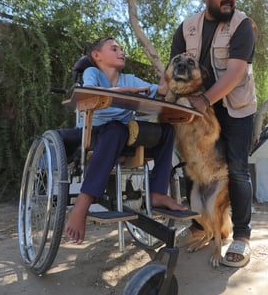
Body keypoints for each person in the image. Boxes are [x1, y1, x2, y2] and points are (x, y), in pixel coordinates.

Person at [170, 0, 257, 267]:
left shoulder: (243, 25)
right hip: (195, 106)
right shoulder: (186, 27)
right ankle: (199, 227)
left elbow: (234, 74)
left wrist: (204, 100)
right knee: (191, 166)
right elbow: (172, 71)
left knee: (237, 170)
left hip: (234, 106)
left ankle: (242, 236)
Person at [63, 37, 186, 244]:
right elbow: (93, 92)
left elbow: (161, 92)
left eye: (121, 49)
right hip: (93, 134)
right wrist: (124, 92)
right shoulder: (92, 73)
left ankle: (156, 192)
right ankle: (82, 204)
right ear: (96, 55)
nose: (121, 52)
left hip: (123, 136)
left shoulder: (130, 79)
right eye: (114, 48)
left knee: (167, 130)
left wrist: (173, 67)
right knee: (116, 129)